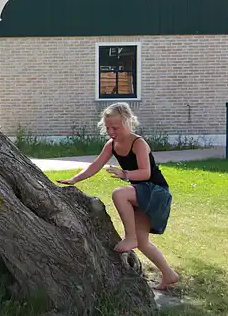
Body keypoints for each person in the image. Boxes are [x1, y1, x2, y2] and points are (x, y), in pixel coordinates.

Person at [57, 103, 179, 290]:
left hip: (156, 191)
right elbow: (96, 165)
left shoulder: (138, 143)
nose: (111, 132)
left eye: (115, 128)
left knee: (119, 194)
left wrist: (124, 174)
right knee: (143, 243)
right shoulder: (112, 145)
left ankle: (130, 237)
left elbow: (145, 173)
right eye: (108, 128)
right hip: (141, 192)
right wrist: (75, 179)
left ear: (127, 122)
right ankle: (169, 274)